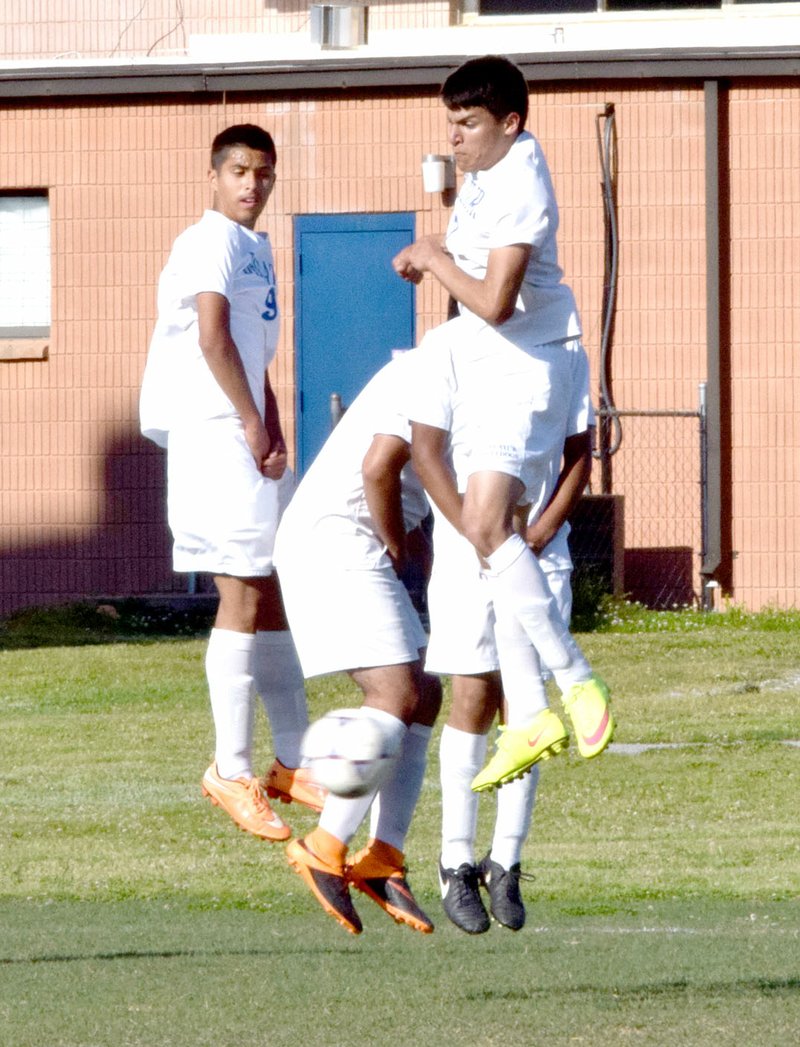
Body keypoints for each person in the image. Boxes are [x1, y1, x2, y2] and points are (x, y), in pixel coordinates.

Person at [392, 55, 614, 791]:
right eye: (448, 122)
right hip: (494, 365)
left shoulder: (521, 179)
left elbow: (493, 300)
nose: (454, 138)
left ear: (510, 123)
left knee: (486, 523)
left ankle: (576, 680)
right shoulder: (487, 171)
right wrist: (430, 253)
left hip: (533, 363)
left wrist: (430, 254)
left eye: (467, 124)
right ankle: (531, 717)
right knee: (495, 535)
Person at [139, 124, 323, 845]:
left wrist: (272, 425)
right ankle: (230, 767)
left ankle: (292, 762)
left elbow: (252, 350)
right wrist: (249, 421)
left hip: (243, 430)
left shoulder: (258, 248)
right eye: (240, 170)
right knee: (242, 591)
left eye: (264, 173)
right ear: (214, 175)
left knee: (272, 584)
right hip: (211, 430)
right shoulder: (207, 239)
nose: (252, 184)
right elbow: (213, 337)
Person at [274, 353, 442, 937]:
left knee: (424, 693)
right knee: (394, 693)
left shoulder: (472, 363)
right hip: (338, 538)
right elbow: (377, 470)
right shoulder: (442, 365)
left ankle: (382, 858)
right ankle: (324, 847)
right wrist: (399, 548)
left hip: (359, 537)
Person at [431, 428, 592, 934]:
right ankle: (454, 860)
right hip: (466, 556)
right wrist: (476, 533)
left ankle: (505, 860)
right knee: (473, 695)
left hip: (540, 553)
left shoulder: (564, 353)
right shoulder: (449, 354)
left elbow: (579, 454)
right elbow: (424, 453)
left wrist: (537, 537)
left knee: (527, 712)